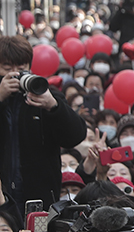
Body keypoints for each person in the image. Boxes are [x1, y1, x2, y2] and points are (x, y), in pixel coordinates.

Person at [0, 35, 87, 216]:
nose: (15, 74)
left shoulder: (45, 95)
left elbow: (75, 136)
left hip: (38, 200)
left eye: (21, 68)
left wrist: (53, 106)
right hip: (2, 198)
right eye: (7, 68)